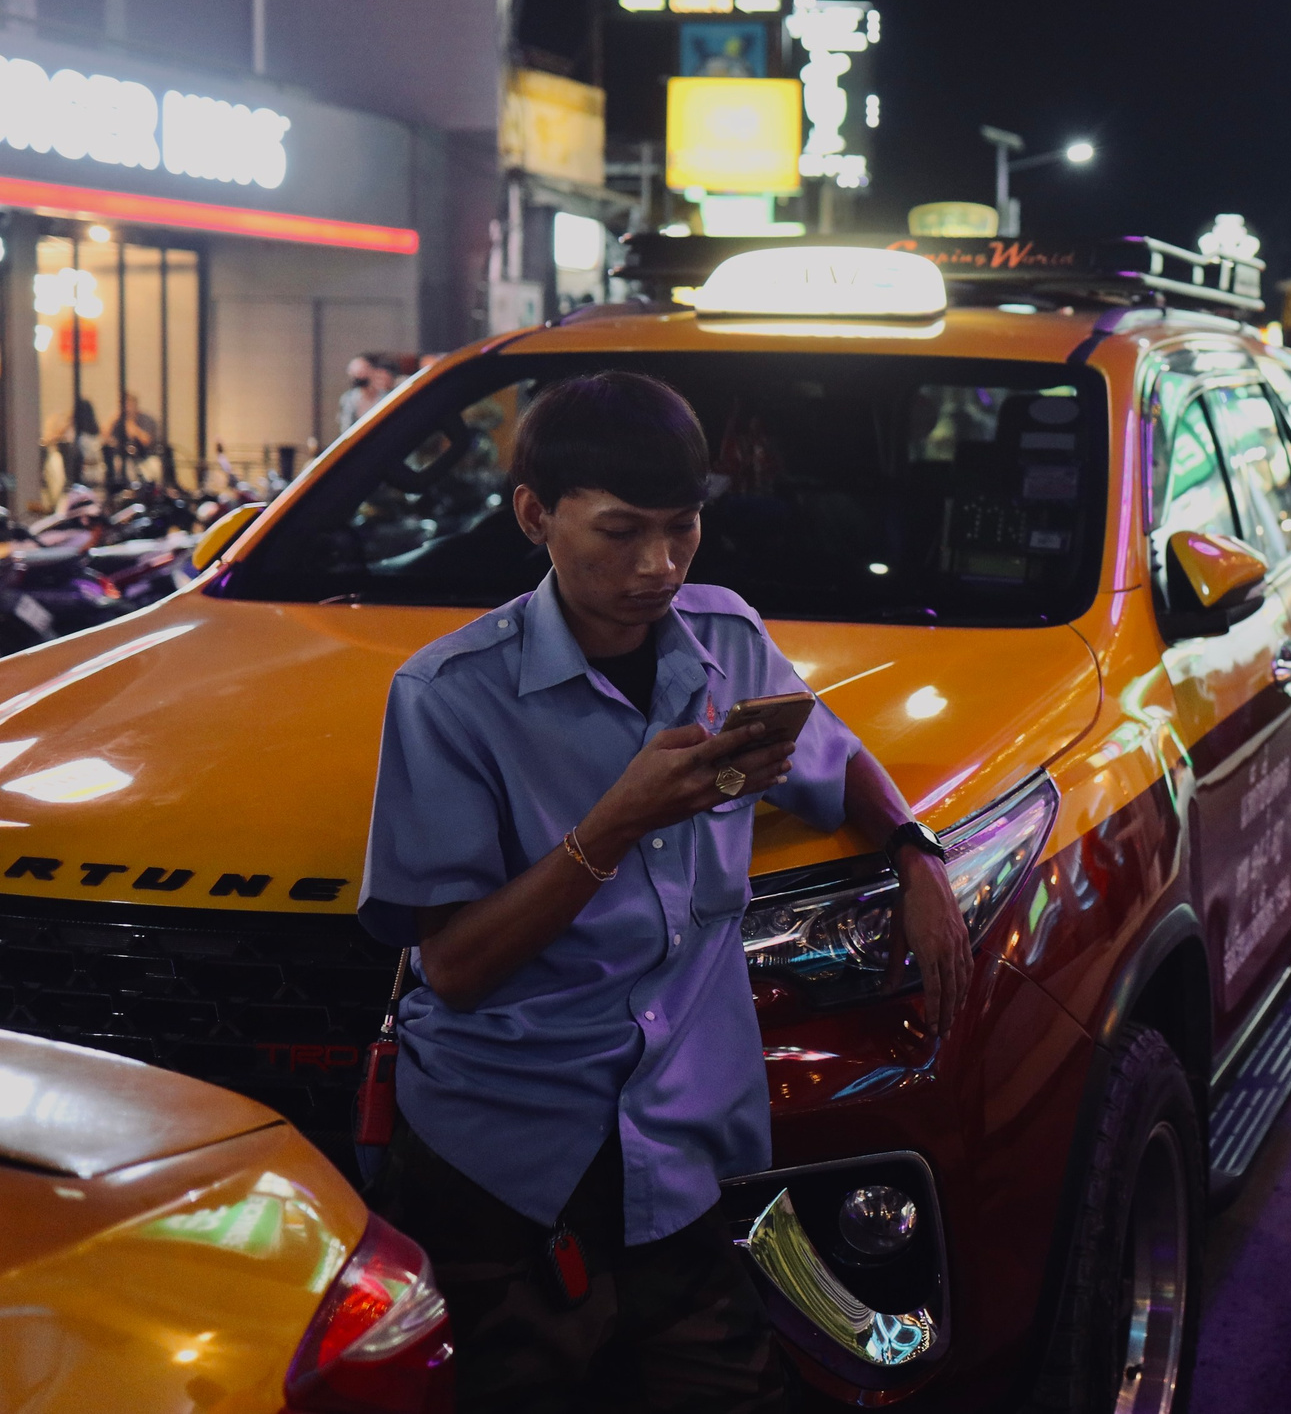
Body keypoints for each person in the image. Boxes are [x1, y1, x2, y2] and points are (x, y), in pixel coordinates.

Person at [356, 372, 969, 1411]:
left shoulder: (724, 637)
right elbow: (452, 967)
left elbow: (831, 750)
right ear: (534, 516)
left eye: (682, 530)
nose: (657, 566)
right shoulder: (447, 697)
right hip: (504, 1156)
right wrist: (617, 820)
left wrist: (916, 854)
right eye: (620, 531)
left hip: (679, 1143)